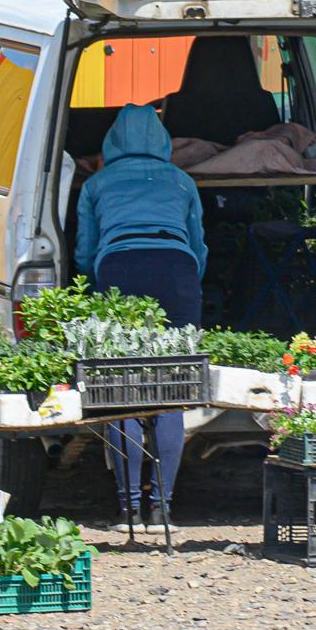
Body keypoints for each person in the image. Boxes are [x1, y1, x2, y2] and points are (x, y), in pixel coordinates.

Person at [74, 104, 207, 534]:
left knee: (122, 390)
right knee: (170, 391)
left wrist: (97, 289)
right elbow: (200, 247)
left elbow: (85, 252)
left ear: (112, 140)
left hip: (120, 269)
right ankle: (162, 509)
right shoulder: (183, 181)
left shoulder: (97, 183)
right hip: (178, 270)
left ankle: (128, 509)